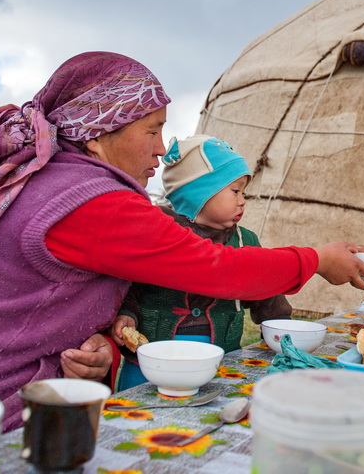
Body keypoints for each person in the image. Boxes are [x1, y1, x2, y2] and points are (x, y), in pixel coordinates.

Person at [0, 51, 364, 431]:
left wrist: (100, 345)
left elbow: (27, 303)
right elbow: (216, 267)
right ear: (96, 134)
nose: (161, 149)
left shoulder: (47, 182)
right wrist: (316, 259)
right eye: (152, 130)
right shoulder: (87, 200)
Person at [111, 134, 291, 390]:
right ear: (199, 193)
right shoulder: (156, 232)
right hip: (150, 363)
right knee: (137, 414)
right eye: (235, 191)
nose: (242, 200)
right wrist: (126, 313)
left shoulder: (244, 240)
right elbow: (129, 283)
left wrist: (280, 323)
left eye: (244, 193)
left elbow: (264, 287)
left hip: (220, 360)